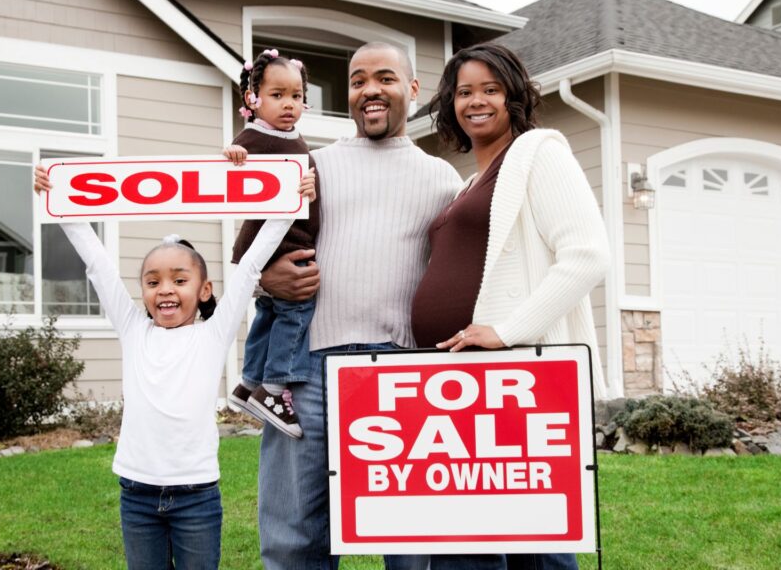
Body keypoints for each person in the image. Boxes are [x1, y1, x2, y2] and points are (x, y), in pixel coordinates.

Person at [32, 168, 315, 569]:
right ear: (144, 292)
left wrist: (289, 204)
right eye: (153, 282)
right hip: (137, 494)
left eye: (179, 280)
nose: (165, 288)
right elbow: (98, 266)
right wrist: (59, 202)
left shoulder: (213, 334)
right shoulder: (133, 330)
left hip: (196, 497)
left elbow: (251, 266)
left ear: (204, 290)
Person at [255, 42, 461, 570]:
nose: (370, 90)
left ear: (412, 89)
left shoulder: (443, 179)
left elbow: (459, 273)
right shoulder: (309, 167)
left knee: (411, 544)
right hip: (306, 370)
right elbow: (256, 244)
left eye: (385, 78)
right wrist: (264, 279)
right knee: (293, 537)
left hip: (400, 371)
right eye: (357, 80)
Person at [411, 43, 610, 570]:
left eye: (490, 89)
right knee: (468, 533)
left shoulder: (539, 153)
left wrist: (506, 330)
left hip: (515, 378)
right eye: (464, 92)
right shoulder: (471, 181)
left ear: (514, 96)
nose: (476, 101)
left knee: (532, 533)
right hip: (461, 382)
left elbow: (588, 255)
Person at [224, 48, 317, 439]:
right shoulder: (256, 136)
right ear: (254, 99)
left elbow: (299, 183)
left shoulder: (291, 136)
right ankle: (275, 388)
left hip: (283, 242)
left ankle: (248, 383)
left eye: (296, 96)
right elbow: (232, 164)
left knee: (268, 315)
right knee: (296, 310)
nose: (288, 104)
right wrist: (235, 154)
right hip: (281, 246)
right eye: (277, 95)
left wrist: (309, 186)